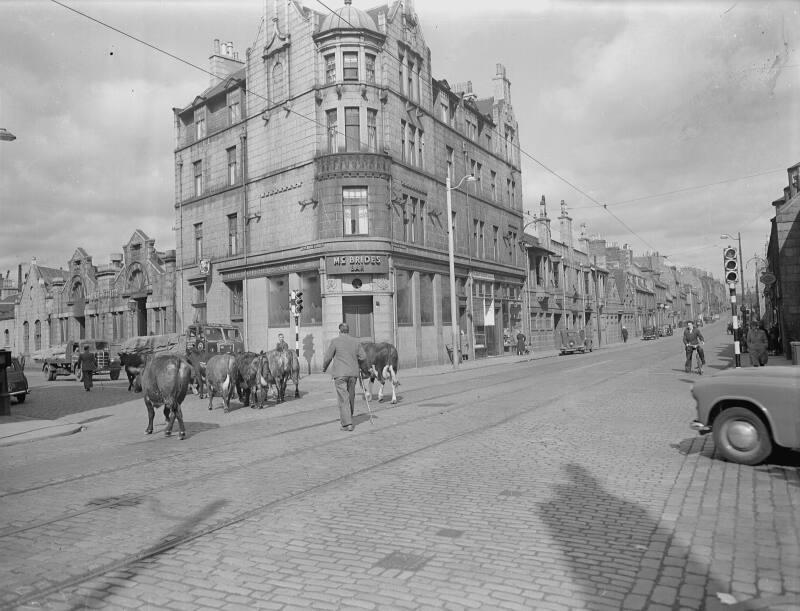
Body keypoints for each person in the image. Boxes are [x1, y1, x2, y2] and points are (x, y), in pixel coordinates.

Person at [322, 323, 366, 432]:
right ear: (348, 330)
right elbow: (363, 356)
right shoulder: (356, 342)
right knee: (351, 396)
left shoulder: (335, 341)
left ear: (340, 331)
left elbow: (328, 357)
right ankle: (348, 417)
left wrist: (324, 367)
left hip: (340, 374)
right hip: (353, 374)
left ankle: (347, 424)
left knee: (343, 398)